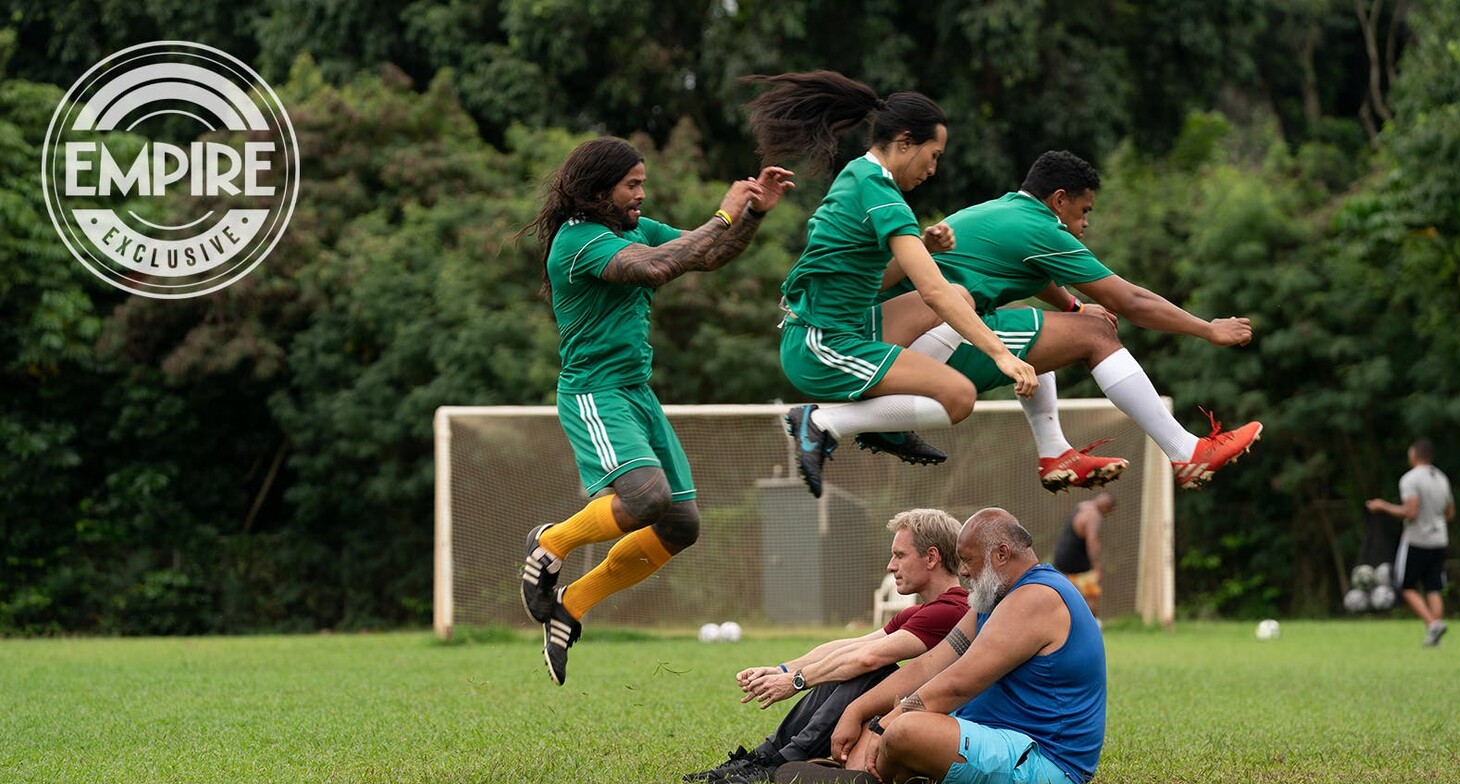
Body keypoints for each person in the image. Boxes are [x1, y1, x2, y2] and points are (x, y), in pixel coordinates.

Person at [516, 137, 795, 685]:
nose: (642, 194)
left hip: (636, 394)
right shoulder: (579, 241)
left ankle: (573, 604)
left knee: (681, 524)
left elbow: (707, 254)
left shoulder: (633, 229)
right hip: (595, 392)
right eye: (633, 185)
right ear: (599, 191)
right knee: (647, 499)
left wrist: (753, 214)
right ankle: (550, 542)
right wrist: (723, 213)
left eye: (642, 183)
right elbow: (658, 268)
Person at [743, 70, 1039, 498]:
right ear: (904, 142)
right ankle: (822, 422)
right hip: (820, 345)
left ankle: (887, 423)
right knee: (958, 397)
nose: (933, 169)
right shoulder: (880, 193)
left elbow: (873, 280)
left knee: (961, 295)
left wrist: (924, 247)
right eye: (933, 156)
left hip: (841, 327)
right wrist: (1001, 355)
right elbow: (933, 292)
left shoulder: (860, 174)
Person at [896, 150, 1263, 491]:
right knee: (1095, 333)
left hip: (910, 336)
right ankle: (1186, 451)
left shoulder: (1004, 211)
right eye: (1084, 210)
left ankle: (1055, 452)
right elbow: (1130, 301)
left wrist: (1075, 307)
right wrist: (1207, 329)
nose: (1085, 223)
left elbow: (1033, 274)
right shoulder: (1040, 228)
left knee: (1048, 332)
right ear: (1059, 200)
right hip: (918, 346)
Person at [777, 507, 1106, 784]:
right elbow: (928, 666)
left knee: (904, 729)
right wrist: (857, 710)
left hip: (1046, 763)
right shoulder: (994, 600)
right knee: (888, 713)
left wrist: (884, 725)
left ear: (1002, 554)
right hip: (995, 737)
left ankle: (881, 778)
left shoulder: (1036, 598)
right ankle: (892, 771)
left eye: (968, 560)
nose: (962, 572)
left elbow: (958, 683)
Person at [684, 508, 970, 784]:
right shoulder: (923, 611)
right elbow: (854, 645)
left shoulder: (950, 609)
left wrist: (797, 681)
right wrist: (784, 670)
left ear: (931, 557)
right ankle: (764, 757)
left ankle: (781, 761)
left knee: (868, 670)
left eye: (900, 555)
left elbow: (868, 658)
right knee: (846, 666)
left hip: (941, 728)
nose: (891, 565)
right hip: (915, 715)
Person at [1366, 438, 1455, 647]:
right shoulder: (1441, 477)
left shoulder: (1410, 479)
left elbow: (1411, 512)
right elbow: (1450, 512)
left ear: (1414, 455)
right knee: (1433, 588)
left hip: (1417, 540)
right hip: (1440, 539)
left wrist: (1382, 506)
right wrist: (1434, 522)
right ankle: (1435, 637)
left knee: (1405, 587)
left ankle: (1433, 624)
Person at [1053, 492, 1115, 617]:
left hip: (1060, 557)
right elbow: (1092, 542)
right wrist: (1097, 567)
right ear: (1107, 508)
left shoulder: (1082, 506)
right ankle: (1094, 623)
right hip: (1076, 561)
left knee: (1066, 596)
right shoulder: (1094, 516)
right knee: (1091, 595)